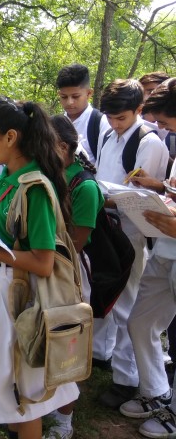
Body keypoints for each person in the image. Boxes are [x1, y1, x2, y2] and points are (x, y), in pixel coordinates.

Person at [0, 96, 79, 439]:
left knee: (22, 387)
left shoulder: (34, 187)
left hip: (16, 296)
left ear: (10, 137)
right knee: (3, 379)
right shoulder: (4, 177)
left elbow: (43, 262)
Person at [94, 79, 169, 408]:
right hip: (105, 224)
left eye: (121, 117)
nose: (114, 123)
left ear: (140, 110)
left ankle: (126, 379)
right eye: (109, 116)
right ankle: (102, 353)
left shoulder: (150, 142)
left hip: (133, 231)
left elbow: (146, 198)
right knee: (106, 292)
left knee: (128, 303)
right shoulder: (108, 134)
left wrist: (105, 198)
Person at [119, 78, 176, 439]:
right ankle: (157, 392)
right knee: (140, 322)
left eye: (168, 124)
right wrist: (162, 189)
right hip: (166, 249)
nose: (164, 131)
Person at [44, 114, 105, 439]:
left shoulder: (85, 186)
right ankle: (46, 400)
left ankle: (64, 419)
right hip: (45, 264)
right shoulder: (48, 176)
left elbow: (76, 242)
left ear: (63, 147)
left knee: (68, 339)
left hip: (70, 271)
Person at [56, 64, 110, 164]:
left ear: (89, 93)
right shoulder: (54, 124)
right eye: (64, 97)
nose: (69, 102)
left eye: (75, 96)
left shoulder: (101, 123)